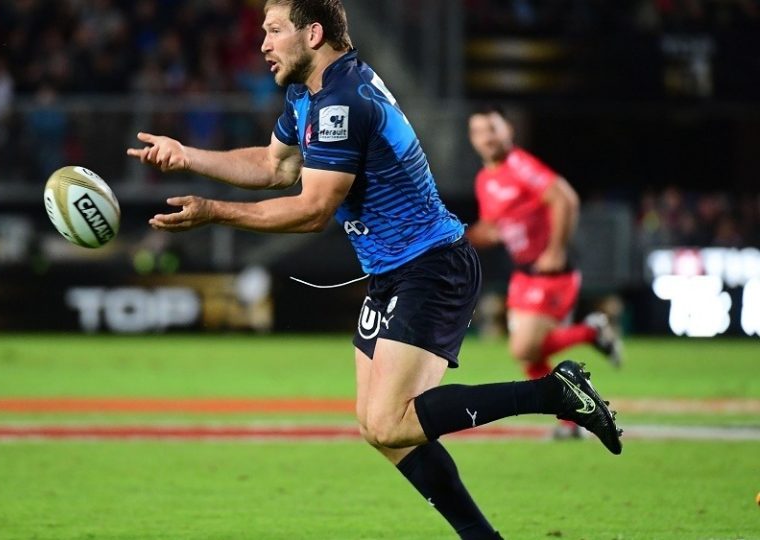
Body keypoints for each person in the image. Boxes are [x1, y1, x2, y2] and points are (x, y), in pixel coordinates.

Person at [127, 2, 622, 538]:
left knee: (391, 421)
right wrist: (187, 156)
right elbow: (275, 166)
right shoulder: (311, 92)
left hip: (430, 267)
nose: (263, 44)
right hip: (394, 271)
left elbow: (313, 210)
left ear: (312, 34)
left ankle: (554, 392)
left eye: (274, 31)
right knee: (381, 431)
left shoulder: (342, 101)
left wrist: (214, 212)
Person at [465, 106, 623, 438]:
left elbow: (565, 199)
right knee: (529, 356)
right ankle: (572, 422)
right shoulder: (485, 180)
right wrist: (457, 241)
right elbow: (494, 228)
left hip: (551, 272)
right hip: (523, 275)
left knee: (523, 348)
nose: (487, 138)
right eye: (480, 132)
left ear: (508, 130)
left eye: (492, 129)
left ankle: (592, 332)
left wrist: (554, 250)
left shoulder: (518, 165)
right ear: (472, 140)